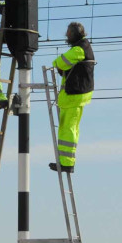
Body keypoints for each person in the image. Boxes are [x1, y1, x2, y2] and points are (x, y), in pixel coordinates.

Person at [50, 22, 96, 174]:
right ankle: (66, 162)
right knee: (69, 128)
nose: (66, 36)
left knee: (68, 129)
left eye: (68, 33)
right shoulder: (83, 47)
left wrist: (57, 64)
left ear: (74, 34)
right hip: (74, 96)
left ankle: (67, 163)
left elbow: (59, 62)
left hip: (73, 96)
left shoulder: (79, 49)